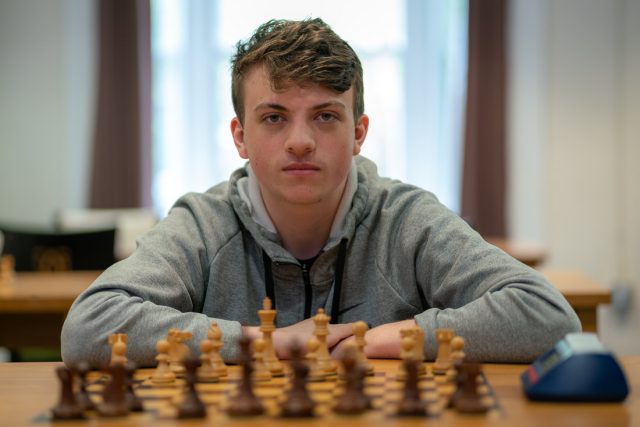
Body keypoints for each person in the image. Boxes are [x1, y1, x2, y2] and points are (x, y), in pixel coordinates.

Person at [61, 18, 580, 368]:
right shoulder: (203, 222)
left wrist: (389, 336)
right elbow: (88, 326)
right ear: (240, 136)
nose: (302, 140)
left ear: (359, 133)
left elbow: (547, 316)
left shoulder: (407, 218)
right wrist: (260, 342)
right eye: (274, 117)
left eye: (326, 116)